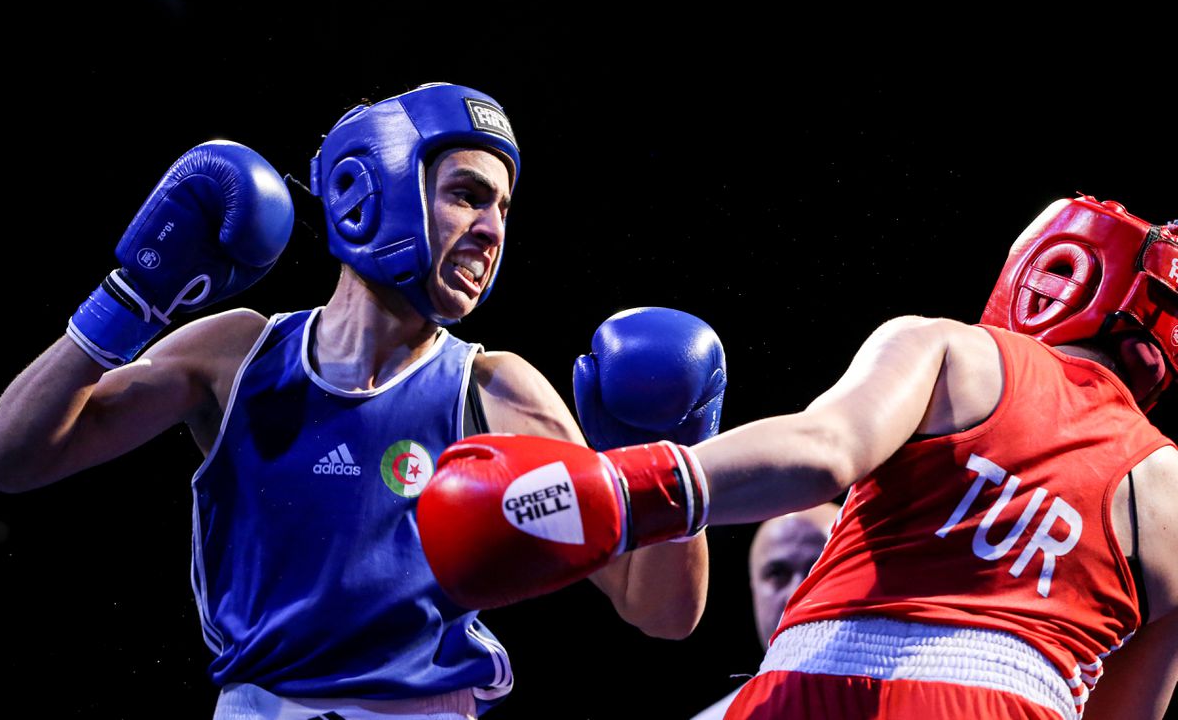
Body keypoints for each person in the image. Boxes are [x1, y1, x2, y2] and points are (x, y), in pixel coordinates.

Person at [0, 83, 720, 719]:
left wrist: (667, 455)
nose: (492, 230)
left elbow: (659, 611)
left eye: (502, 208)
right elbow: (10, 458)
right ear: (375, 189)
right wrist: (131, 296)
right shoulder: (237, 355)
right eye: (467, 195)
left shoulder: (493, 387)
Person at [418, 195, 1178, 719]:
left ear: (1056, 269)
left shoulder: (956, 349)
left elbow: (823, 453)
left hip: (834, 676)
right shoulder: (1169, 488)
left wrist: (617, 490)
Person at [691, 503, 839, 720]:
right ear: (753, 592)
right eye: (777, 573)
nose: (795, 594)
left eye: (819, 567)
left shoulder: (903, 696)